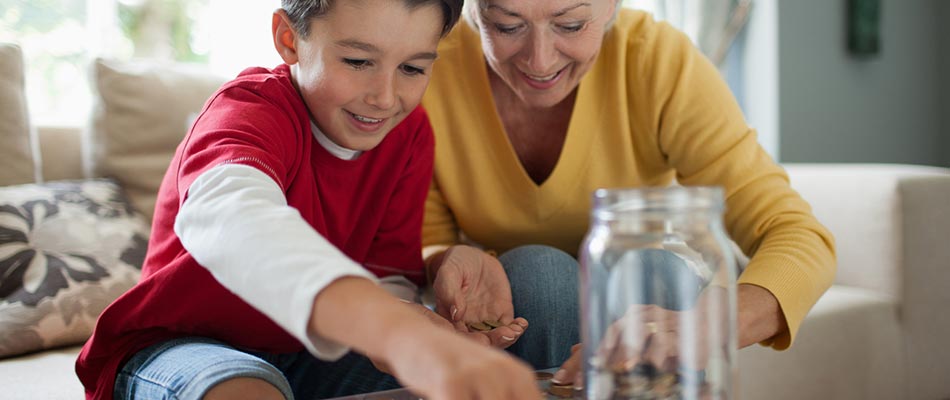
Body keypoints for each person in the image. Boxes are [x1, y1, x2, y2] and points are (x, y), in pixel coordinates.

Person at [75, 1, 542, 399]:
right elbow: (237, 221)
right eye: (358, 62)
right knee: (244, 387)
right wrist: (391, 331)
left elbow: (386, 276)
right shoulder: (248, 111)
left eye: (413, 68)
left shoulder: (410, 135)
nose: (385, 97)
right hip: (183, 345)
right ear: (289, 38)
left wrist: (415, 319)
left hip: (307, 351)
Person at [419, 0, 837, 385]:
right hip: (522, 297)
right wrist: (446, 258)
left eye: (571, 24)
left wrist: (718, 322)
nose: (539, 60)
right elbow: (425, 238)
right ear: (473, 11)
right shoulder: (427, 66)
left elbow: (796, 234)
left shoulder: (656, 60)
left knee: (654, 270)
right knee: (540, 274)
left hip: (644, 285)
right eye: (507, 26)